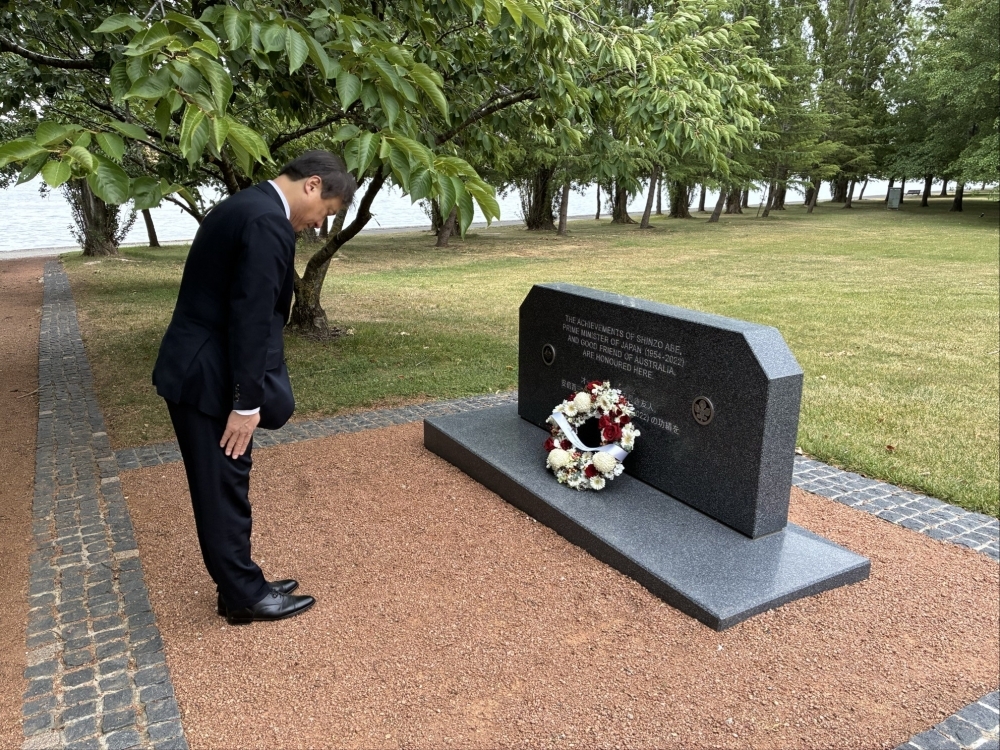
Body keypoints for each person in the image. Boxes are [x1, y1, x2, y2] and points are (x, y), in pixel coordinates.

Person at [152, 151, 357, 625]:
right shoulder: (268, 223)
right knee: (223, 487)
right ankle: (244, 596)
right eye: (325, 213)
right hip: (209, 377)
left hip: (199, 365)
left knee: (225, 483)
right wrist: (247, 404)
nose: (316, 226)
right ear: (312, 185)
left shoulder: (244, 205)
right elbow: (251, 320)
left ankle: (238, 584)